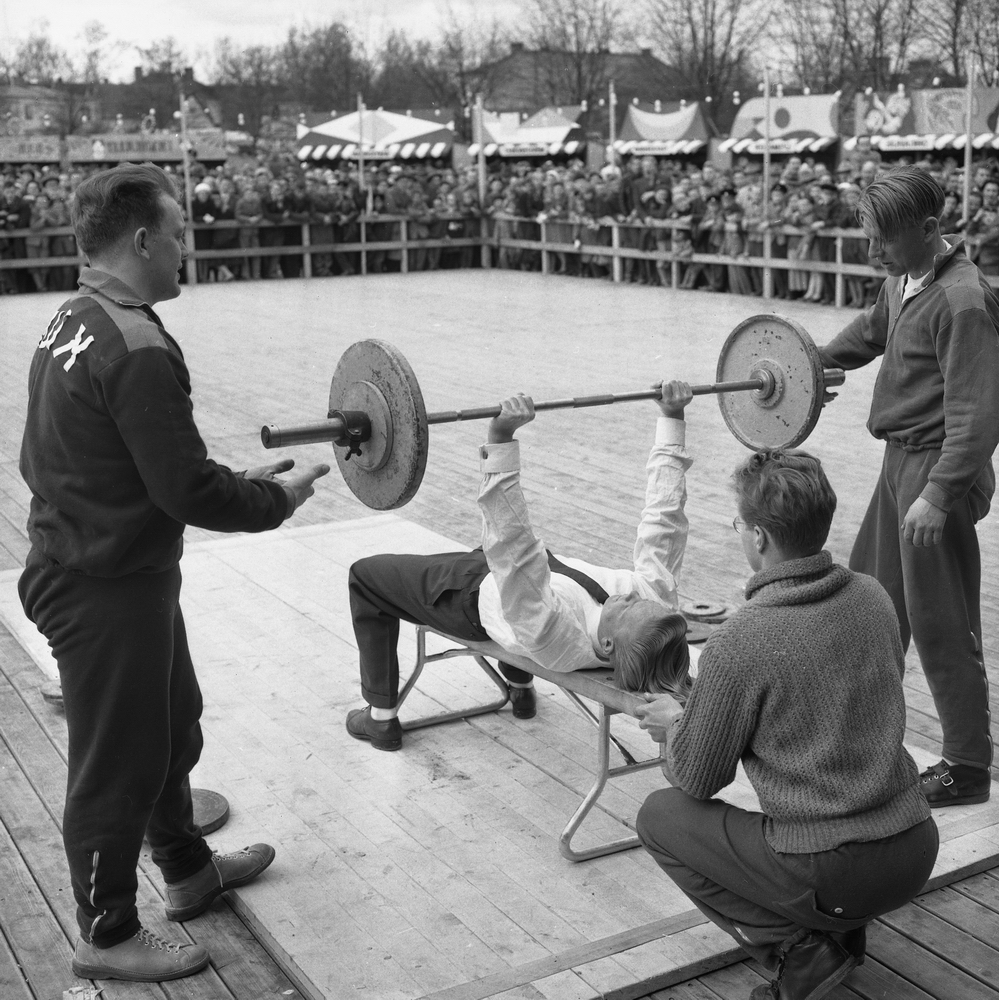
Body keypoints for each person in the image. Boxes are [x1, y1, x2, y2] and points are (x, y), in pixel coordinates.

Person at [17, 163, 330, 982]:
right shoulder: (138, 345)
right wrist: (277, 497)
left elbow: (141, 462)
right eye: (179, 232)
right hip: (101, 586)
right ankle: (107, 931)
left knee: (169, 724)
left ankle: (187, 869)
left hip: (107, 566)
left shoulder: (77, 316)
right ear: (144, 239)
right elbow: (187, 492)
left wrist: (221, 477)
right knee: (115, 767)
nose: (187, 246)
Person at [634, 449, 938, 1000]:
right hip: (916, 844)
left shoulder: (739, 641)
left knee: (660, 817)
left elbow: (697, 780)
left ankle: (799, 950)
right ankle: (837, 932)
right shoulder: (873, 596)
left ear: (758, 537)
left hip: (834, 869)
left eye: (739, 525)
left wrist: (677, 723)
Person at [345, 382, 697, 751]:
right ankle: (519, 686)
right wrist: (673, 417)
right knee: (521, 594)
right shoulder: (652, 608)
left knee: (366, 577)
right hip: (524, 584)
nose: (630, 595)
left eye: (628, 606)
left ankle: (380, 717)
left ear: (608, 644)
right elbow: (665, 519)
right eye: (641, 599)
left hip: (467, 593)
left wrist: (500, 439)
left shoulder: (555, 633)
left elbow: (512, 543)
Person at [817, 166, 999, 808]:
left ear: (928, 229)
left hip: (936, 470)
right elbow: (870, 332)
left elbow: (979, 412)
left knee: (939, 618)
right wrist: (809, 364)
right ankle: (864, 734)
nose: (874, 253)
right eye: (869, 239)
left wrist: (941, 493)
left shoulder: (963, 301)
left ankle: (967, 765)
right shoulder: (902, 281)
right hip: (899, 463)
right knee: (872, 600)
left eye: (884, 240)